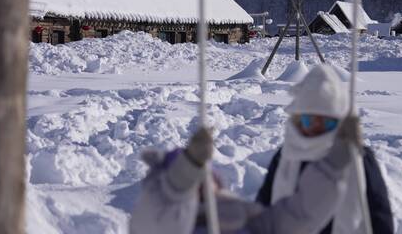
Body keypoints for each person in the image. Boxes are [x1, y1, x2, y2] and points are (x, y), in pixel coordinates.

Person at [130, 100, 362, 234]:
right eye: (191, 178)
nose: (199, 182)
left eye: (203, 176)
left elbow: (297, 216)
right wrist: (183, 176)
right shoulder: (162, 214)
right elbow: (156, 221)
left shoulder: (240, 214)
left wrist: (333, 166)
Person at [255, 64, 394, 234]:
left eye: (326, 121)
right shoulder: (286, 156)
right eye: (309, 120)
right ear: (298, 119)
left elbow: (379, 215)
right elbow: (264, 207)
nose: (316, 128)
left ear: (339, 121)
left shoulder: (358, 158)